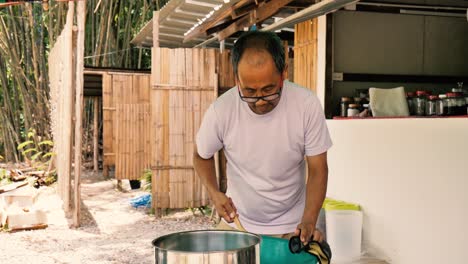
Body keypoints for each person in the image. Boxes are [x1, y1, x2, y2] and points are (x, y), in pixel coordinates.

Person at [194, 31, 332, 245]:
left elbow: (318, 169)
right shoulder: (221, 110)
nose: (259, 101)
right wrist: (214, 193)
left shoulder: (306, 105)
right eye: (249, 91)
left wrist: (309, 220)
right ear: (236, 79)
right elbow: (201, 155)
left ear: (284, 73)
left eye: (269, 89)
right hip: (238, 224)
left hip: (292, 226)